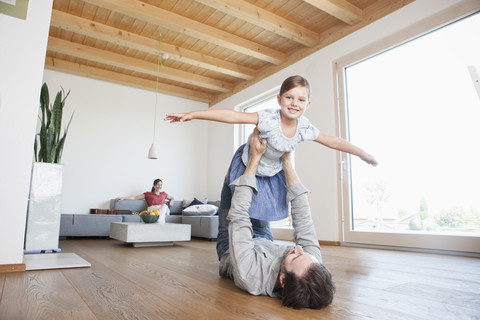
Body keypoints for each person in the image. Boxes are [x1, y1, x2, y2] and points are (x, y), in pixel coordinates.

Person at [165, 75, 377, 223]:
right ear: (279, 100)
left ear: (308, 104)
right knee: (234, 207)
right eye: (289, 97)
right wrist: (193, 114)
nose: (294, 103)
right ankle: (228, 185)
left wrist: (362, 154)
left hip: (272, 171)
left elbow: (334, 141)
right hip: (247, 162)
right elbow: (233, 116)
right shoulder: (268, 118)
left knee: (265, 211)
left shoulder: (304, 128)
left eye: (301, 99)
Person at [218, 128, 335, 309]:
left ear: (282, 280)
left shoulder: (250, 276)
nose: (298, 248)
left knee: (232, 182)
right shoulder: (311, 264)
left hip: (231, 244)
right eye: (303, 254)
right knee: (262, 183)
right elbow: (303, 220)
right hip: (264, 241)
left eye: (295, 257)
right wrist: (287, 160)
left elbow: (239, 216)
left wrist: (254, 159)